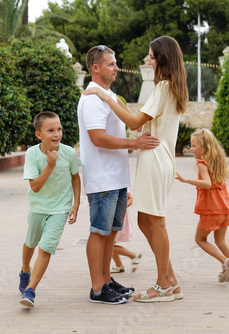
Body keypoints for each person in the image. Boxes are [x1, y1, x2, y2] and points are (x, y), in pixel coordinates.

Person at [83, 36, 188, 302]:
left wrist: (106, 97)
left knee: (156, 222)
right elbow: (138, 125)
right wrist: (109, 98)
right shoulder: (170, 87)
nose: (149, 61)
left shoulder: (163, 87)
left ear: (162, 59)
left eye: (152, 57)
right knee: (145, 221)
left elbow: (133, 121)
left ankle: (164, 284)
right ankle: (170, 279)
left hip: (154, 156)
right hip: (159, 157)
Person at [77, 45, 160, 304]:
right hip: (102, 178)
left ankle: (106, 280)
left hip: (116, 177)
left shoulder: (107, 96)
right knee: (99, 232)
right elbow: (98, 138)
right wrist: (135, 144)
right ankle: (97, 288)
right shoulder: (92, 98)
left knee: (111, 232)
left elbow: (131, 122)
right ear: (95, 68)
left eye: (115, 63)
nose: (116, 68)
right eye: (111, 64)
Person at [19, 112, 82, 307]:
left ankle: (30, 290)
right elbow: (35, 187)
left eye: (59, 129)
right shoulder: (31, 154)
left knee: (46, 247)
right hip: (38, 207)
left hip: (60, 209)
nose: (57, 134)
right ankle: (24, 270)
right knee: (30, 243)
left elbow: (75, 177)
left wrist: (76, 204)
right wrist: (50, 166)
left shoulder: (69, 153)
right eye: (51, 130)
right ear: (39, 135)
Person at [175, 129, 229, 284]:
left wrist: (186, 180)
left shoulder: (202, 164)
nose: (191, 149)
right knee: (221, 242)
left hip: (212, 210)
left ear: (204, 147)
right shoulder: (219, 160)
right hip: (225, 208)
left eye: (194, 146)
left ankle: (225, 262)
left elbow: (207, 184)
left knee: (200, 239)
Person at [111, 193, 142, 273]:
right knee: (110, 242)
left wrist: (118, 209)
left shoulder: (119, 183)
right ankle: (118, 265)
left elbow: (131, 199)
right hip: (112, 216)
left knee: (106, 244)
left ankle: (133, 255)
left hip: (116, 216)